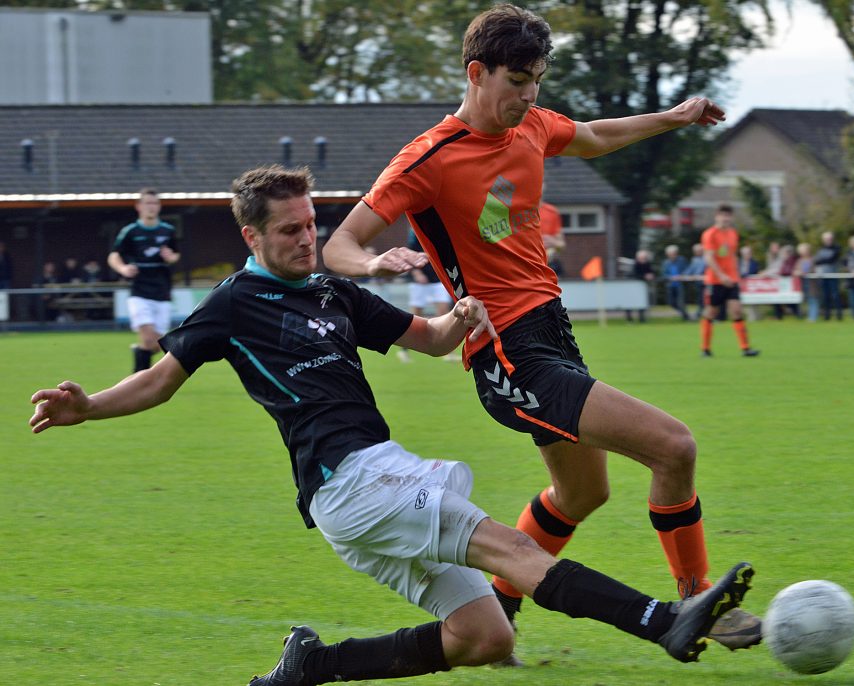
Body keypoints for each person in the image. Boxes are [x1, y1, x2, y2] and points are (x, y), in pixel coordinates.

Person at [29, 165, 756, 685]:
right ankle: (663, 621)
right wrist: (88, 405)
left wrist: (460, 318)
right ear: (250, 236)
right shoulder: (232, 304)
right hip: (349, 482)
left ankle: (316, 664)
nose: (307, 239)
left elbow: (431, 340)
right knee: (506, 547)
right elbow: (159, 381)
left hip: (374, 478)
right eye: (289, 230)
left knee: (482, 636)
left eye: (313, 224)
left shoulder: (334, 290)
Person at [321, 3, 761, 664]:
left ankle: (499, 616)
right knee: (674, 446)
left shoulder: (531, 127)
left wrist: (671, 118)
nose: (528, 96)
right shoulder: (429, 158)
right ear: (477, 72)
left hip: (553, 336)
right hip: (508, 355)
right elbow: (340, 245)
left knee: (583, 493)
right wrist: (375, 261)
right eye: (517, 81)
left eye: (537, 82)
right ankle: (694, 596)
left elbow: (594, 135)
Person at [108, 188, 180, 373]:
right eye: (147, 203)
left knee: (157, 344)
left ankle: (139, 359)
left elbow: (175, 255)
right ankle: (141, 380)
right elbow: (114, 256)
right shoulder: (131, 231)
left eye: (155, 203)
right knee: (151, 340)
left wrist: (170, 256)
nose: (151, 207)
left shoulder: (168, 230)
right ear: (139, 206)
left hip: (162, 291)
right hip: (139, 291)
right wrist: (123, 268)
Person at [699, 205, 760, 357]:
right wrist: (721, 276)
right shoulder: (710, 234)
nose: (725, 218)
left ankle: (745, 348)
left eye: (728, 215)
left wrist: (735, 275)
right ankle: (705, 348)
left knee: (737, 310)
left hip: (732, 279)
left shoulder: (733, 233)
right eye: (722, 215)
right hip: (715, 280)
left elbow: (731, 255)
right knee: (712, 312)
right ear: (716, 216)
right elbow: (709, 257)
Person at [398, 228, 456, 363]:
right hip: (420, 283)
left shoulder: (440, 230)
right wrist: (417, 273)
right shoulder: (415, 232)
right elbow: (408, 254)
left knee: (445, 312)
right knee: (416, 317)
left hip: (437, 280)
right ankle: (403, 351)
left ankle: (448, 352)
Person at [813, 231, 843, 321]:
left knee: (835, 295)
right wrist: (822, 260)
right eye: (826, 239)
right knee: (825, 296)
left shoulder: (837, 248)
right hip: (823, 275)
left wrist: (822, 260)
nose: (828, 241)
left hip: (833, 275)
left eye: (830, 239)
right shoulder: (820, 249)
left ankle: (839, 316)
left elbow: (832, 259)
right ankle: (827, 315)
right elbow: (816, 261)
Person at [662, 244, 689, 321]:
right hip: (670, 285)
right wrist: (670, 277)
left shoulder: (682, 260)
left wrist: (681, 276)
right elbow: (664, 274)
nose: (672, 255)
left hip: (680, 285)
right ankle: (684, 313)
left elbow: (687, 270)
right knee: (671, 302)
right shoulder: (666, 263)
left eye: (674, 253)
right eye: (670, 254)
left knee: (681, 302)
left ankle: (685, 317)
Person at [629, 249, 656, 322]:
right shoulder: (635, 265)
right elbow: (634, 275)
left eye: (645, 258)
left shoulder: (647, 264)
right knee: (630, 303)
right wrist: (644, 276)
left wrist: (651, 275)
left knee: (642, 303)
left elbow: (652, 272)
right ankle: (629, 318)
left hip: (643, 288)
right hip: (633, 288)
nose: (643, 259)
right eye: (642, 258)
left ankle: (642, 318)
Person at [684, 243, 707, 320]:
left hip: (707, 282)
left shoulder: (706, 258)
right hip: (698, 282)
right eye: (696, 251)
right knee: (700, 299)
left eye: (699, 250)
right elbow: (690, 270)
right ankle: (700, 313)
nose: (697, 252)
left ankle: (706, 315)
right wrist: (683, 275)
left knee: (707, 300)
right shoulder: (694, 259)